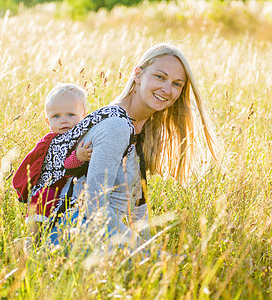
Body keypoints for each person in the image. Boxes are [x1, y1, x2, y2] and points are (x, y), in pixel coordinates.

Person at [39, 42, 222, 247]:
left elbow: (137, 209)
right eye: (160, 77)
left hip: (97, 232)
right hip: (72, 233)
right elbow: (93, 206)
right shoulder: (117, 126)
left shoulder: (141, 130)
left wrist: (150, 254)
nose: (167, 89)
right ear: (138, 75)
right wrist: (144, 251)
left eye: (177, 84)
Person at [12, 83, 93, 243]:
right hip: (50, 187)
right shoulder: (53, 142)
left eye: (70, 114)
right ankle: (33, 241)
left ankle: (36, 242)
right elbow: (64, 165)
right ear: (47, 122)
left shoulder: (81, 136)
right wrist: (79, 157)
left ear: (84, 116)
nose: (63, 120)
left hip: (71, 191)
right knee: (41, 205)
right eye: (56, 116)